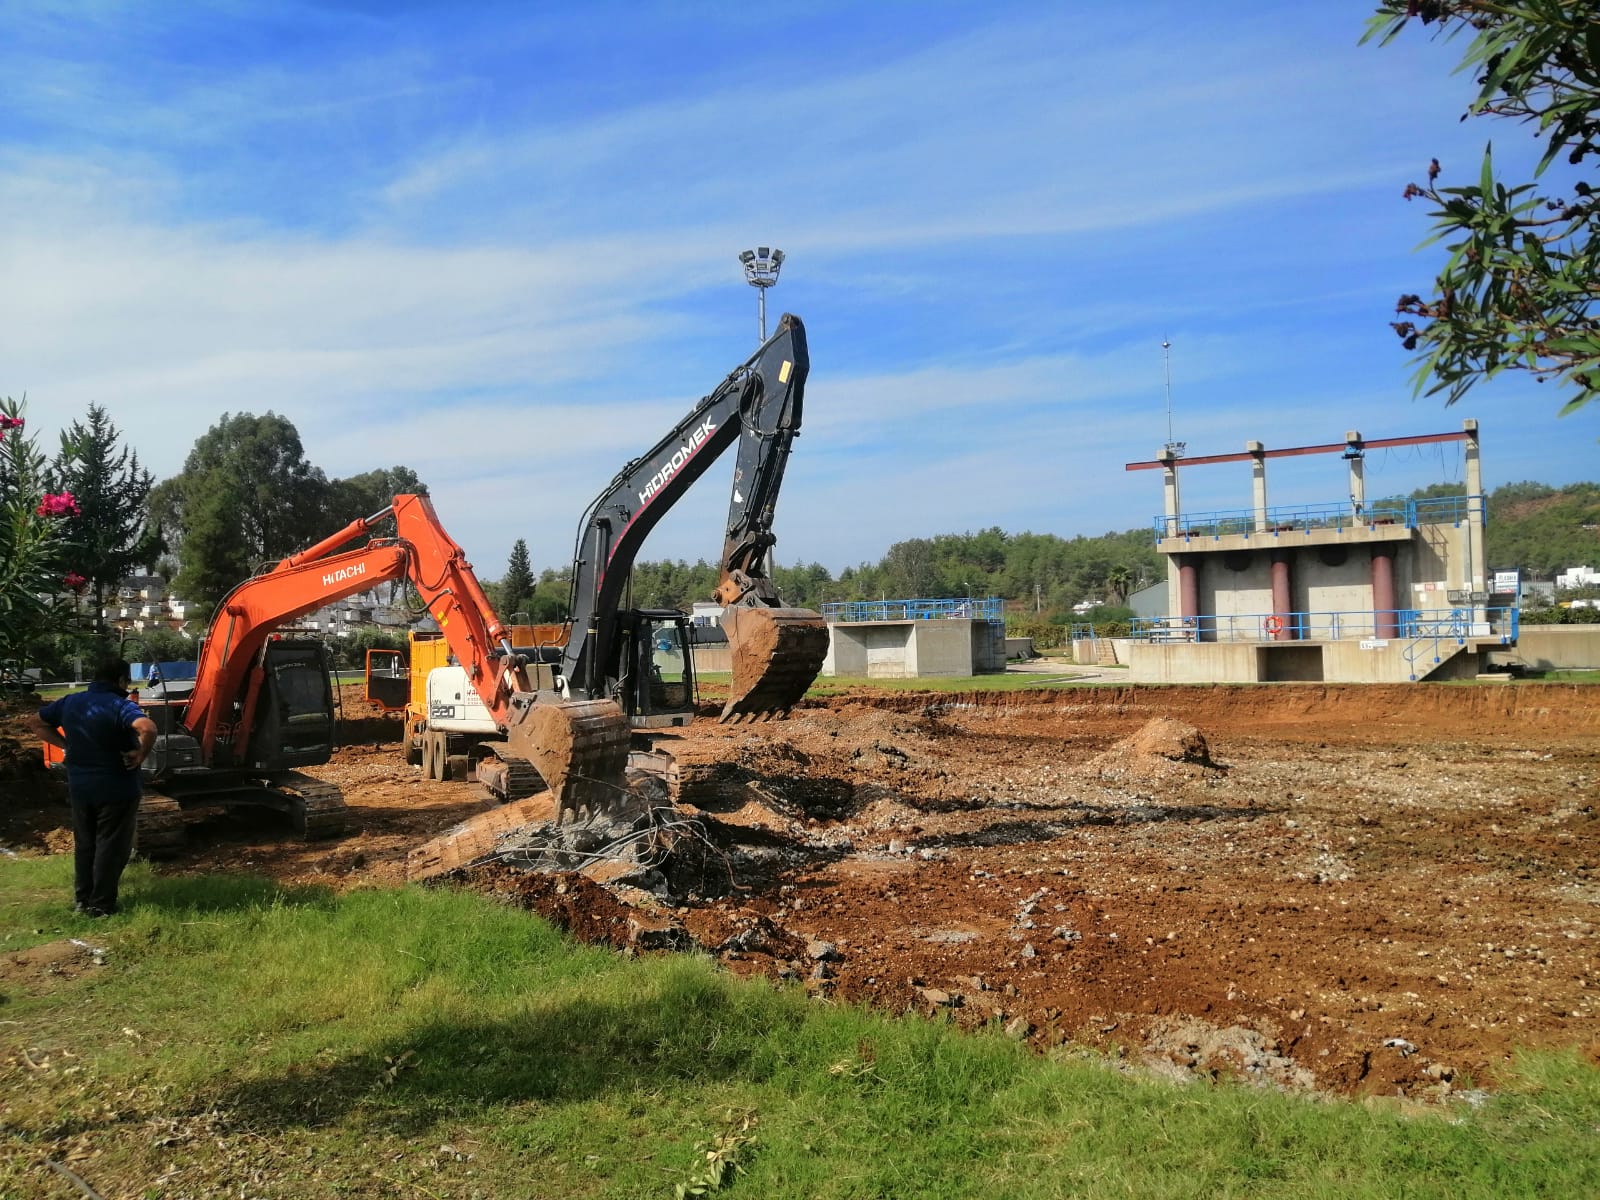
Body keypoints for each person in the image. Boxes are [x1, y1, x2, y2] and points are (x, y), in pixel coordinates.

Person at [29, 658, 158, 917]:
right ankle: (101, 906)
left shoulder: (70, 702)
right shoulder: (118, 705)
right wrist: (140, 755)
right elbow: (147, 727)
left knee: (86, 845)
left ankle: (82, 900)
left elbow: (34, 722)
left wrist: (66, 745)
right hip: (116, 789)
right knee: (111, 847)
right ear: (121, 680)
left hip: (80, 788)